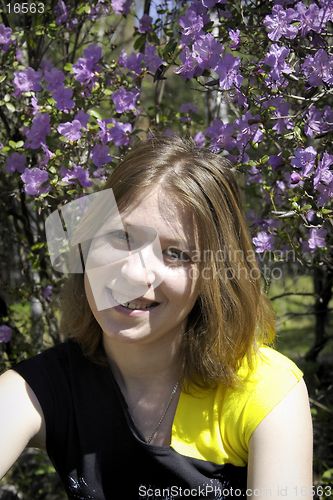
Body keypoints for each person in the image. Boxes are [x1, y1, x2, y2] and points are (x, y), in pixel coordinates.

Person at [0, 136, 313, 499]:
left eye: (176, 253)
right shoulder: (38, 390)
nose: (135, 273)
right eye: (120, 237)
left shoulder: (264, 393)